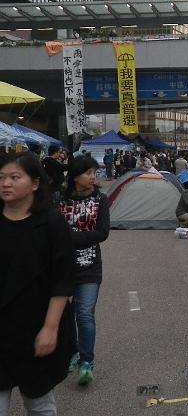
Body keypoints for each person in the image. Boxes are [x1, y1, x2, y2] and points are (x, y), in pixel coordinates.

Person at [0, 152, 73, 415]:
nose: (5, 183)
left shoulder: (52, 224)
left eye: (14, 177)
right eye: (1, 177)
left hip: (36, 326)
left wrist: (50, 329)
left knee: (40, 404)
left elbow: (62, 281)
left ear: (34, 184)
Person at [57, 155, 110, 387]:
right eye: (88, 173)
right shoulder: (59, 199)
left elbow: (102, 232)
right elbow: (53, 230)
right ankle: (73, 352)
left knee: (85, 314)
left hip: (90, 266)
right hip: (62, 267)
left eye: (94, 173)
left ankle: (87, 362)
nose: (92, 177)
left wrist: (75, 238)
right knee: (65, 315)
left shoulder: (101, 199)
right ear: (75, 175)